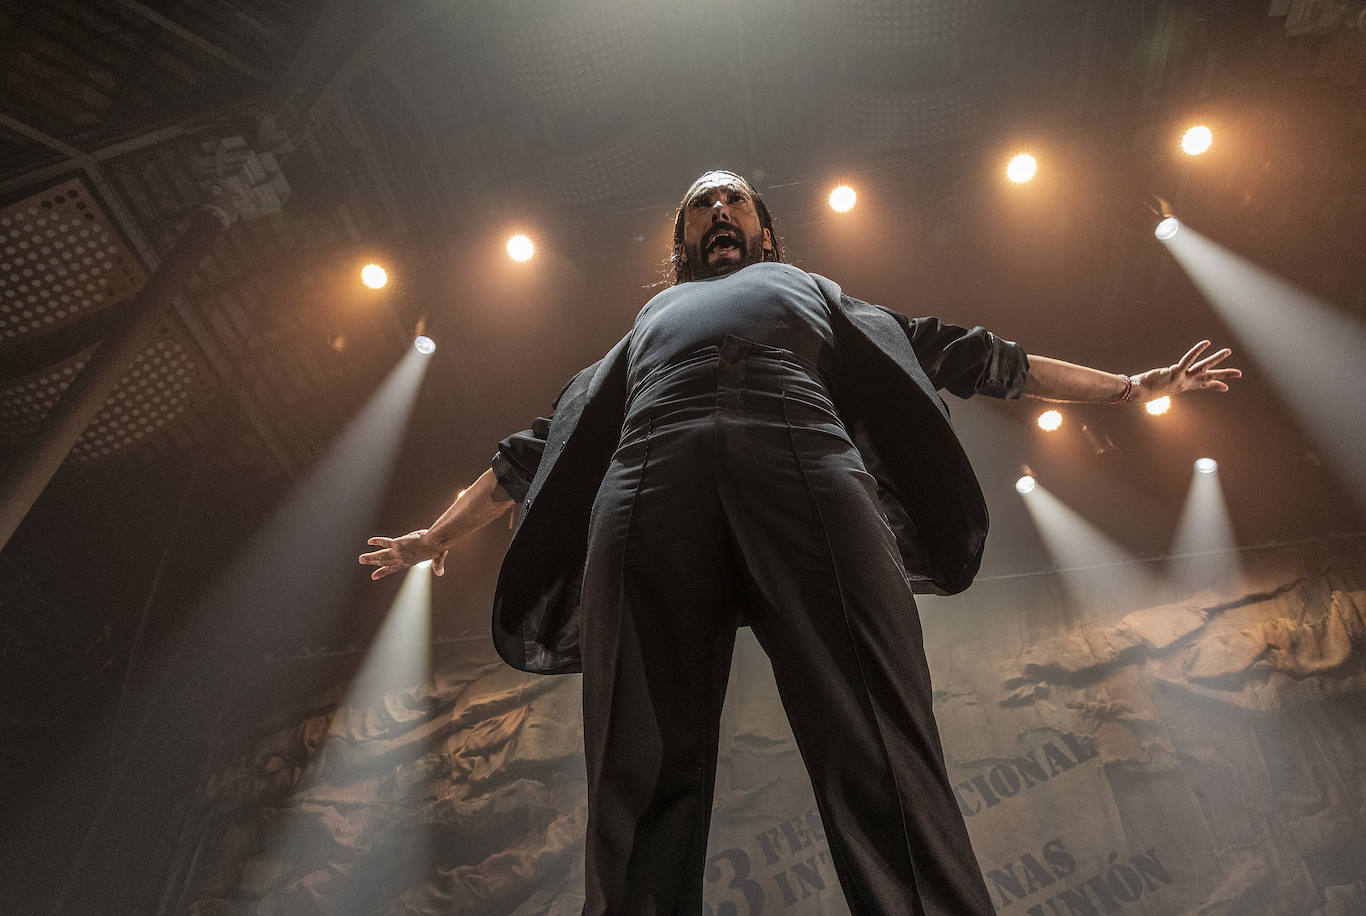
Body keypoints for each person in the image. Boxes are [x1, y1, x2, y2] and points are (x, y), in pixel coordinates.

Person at [360, 170, 1240, 915]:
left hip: (800, 454)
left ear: (765, 232)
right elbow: (534, 448)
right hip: (646, 481)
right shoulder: (644, 329)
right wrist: (432, 535)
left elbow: (969, 356)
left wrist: (1129, 387)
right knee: (638, 750)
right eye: (700, 205)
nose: (716, 212)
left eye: (733, 201)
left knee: (872, 722)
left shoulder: (813, 291)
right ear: (681, 241)